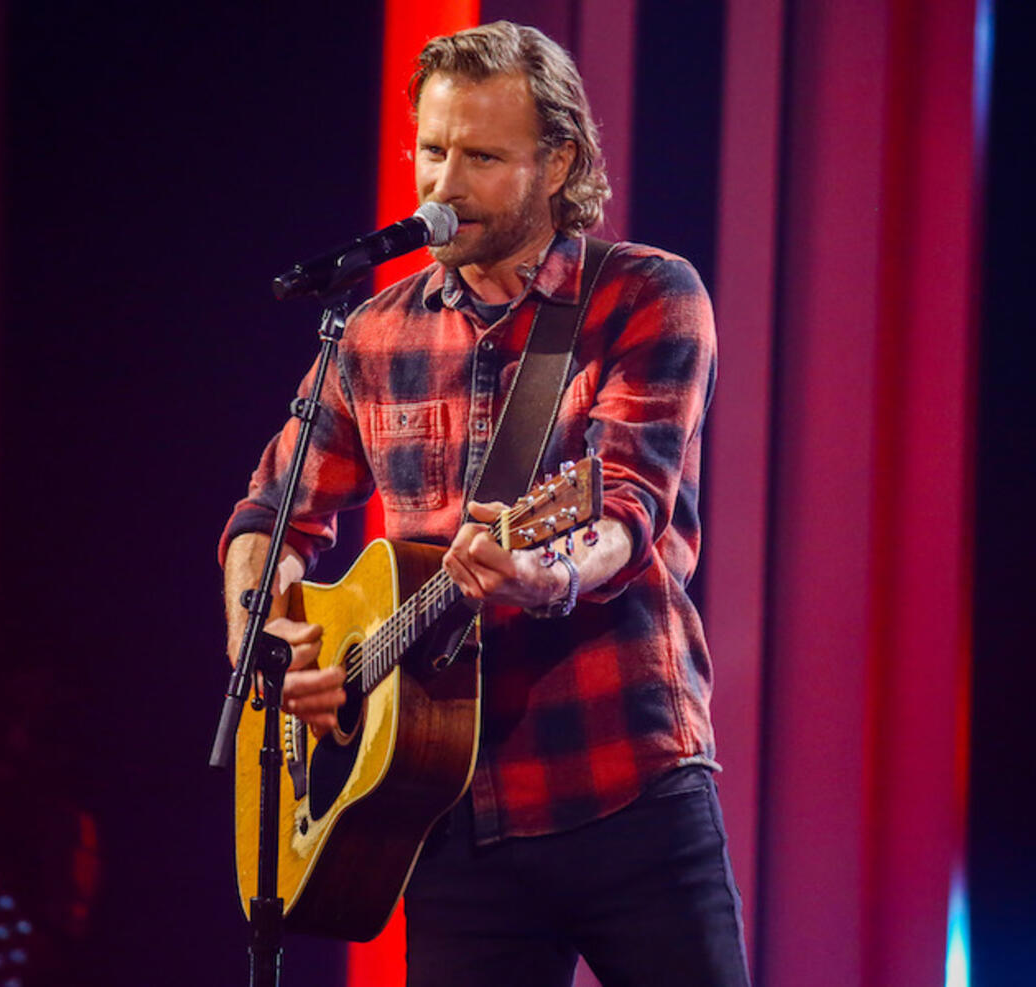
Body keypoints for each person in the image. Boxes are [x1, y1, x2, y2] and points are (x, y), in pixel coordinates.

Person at [219, 21, 749, 987]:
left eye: (482, 157)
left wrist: (545, 572)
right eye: (432, 150)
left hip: (625, 784)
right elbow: (269, 514)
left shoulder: (645, 295)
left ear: (561, 163)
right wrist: (272, 631)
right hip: (442, 808)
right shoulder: (372, 332)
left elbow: (626, 506)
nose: (444, 184)